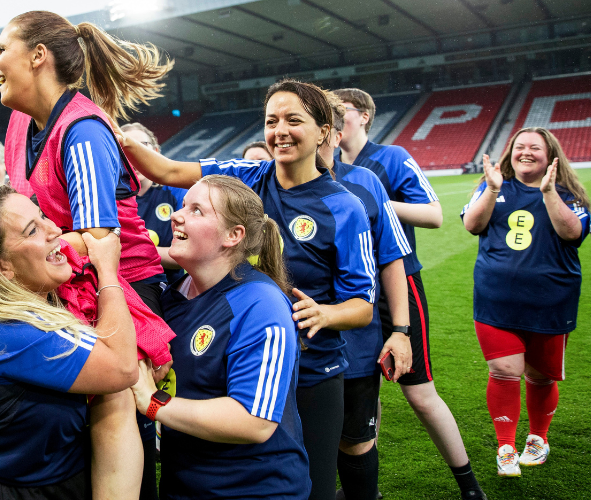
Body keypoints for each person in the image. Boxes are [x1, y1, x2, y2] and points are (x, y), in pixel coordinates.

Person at [116, 78, 376, 500]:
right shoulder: (249, 175)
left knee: (314, 486)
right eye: (272, 121)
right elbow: (166, 170)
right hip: (236, 344)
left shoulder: (343, 205)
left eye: (294, 120)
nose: (280, 131)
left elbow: (363, 305)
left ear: (324, 131)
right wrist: (117, 136)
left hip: (313, 368)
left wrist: (325, 314)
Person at [0, 12, 174, 497]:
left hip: (123, 289)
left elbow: (98, 240)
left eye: (1, 49)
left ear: (37, 56)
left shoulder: (84, 130)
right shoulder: (18, 123)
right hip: (64, 286)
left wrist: (0, 257)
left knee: (122, 426)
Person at [0, 185, 140, 499]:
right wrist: (108, 272)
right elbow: (124, 368)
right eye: (32, 229)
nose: (55, 229)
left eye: (43, 216)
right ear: (0, 266)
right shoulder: (13, 331)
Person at [336, 88, 485, 499]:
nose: (332, 118)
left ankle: (469, 486)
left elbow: (434, 215)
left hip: (399, 284)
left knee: (419, 393)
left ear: (364, 115)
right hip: (351, 293)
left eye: (340, 111)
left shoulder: (391, 158)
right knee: (362, 391)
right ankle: (362, 488)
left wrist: (371, 198)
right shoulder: (321, 168)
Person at [129, 174, 310, 499]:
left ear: (233, 235)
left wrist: (153, 402)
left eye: (196, 210)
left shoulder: (259, 303)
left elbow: (253, 421)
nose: (177, 215)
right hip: (182, 488)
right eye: (183, 205)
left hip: (255, 491)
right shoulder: (172, 296)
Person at [461, 128, 588, 477]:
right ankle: (505, 445)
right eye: (520, 147)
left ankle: (537, 437)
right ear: (510, 152)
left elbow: (572, 233)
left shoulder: (568, 195)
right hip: (496, 300)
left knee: (540, 377)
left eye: (535, 147)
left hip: (551, 302)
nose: (526, 152)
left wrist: (547, 193)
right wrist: (492, 189)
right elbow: (472, 225)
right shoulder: (492, 187)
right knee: (503, 370)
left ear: (551, 156)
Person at [318, 93, 414, 500]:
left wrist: (401, 331)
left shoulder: (365, 182)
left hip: (356, 342)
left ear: (336, 136)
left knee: (355, 441)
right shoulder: (267, 181)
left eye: (324, 129)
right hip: (294, 343)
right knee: (304, 441)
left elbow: (392, 260)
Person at [122, 122, 184, 284]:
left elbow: (188, 254)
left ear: (155, 152)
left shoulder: (178, 192)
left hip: (171, 293)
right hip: (126, 289)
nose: (133, 155)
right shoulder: (107, 198)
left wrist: (134, 251)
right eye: (124, 149)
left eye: (142, 146)